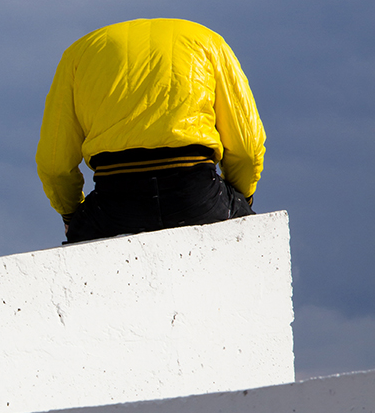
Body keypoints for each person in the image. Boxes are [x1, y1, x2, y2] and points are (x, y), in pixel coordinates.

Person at [36, 17, 265, 243]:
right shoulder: (209, 42)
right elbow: (246, 149)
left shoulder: (77, 54)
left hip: (115, 203)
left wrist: (71, 214)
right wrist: (241, 198)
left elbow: (54, 164)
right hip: (197, 194)